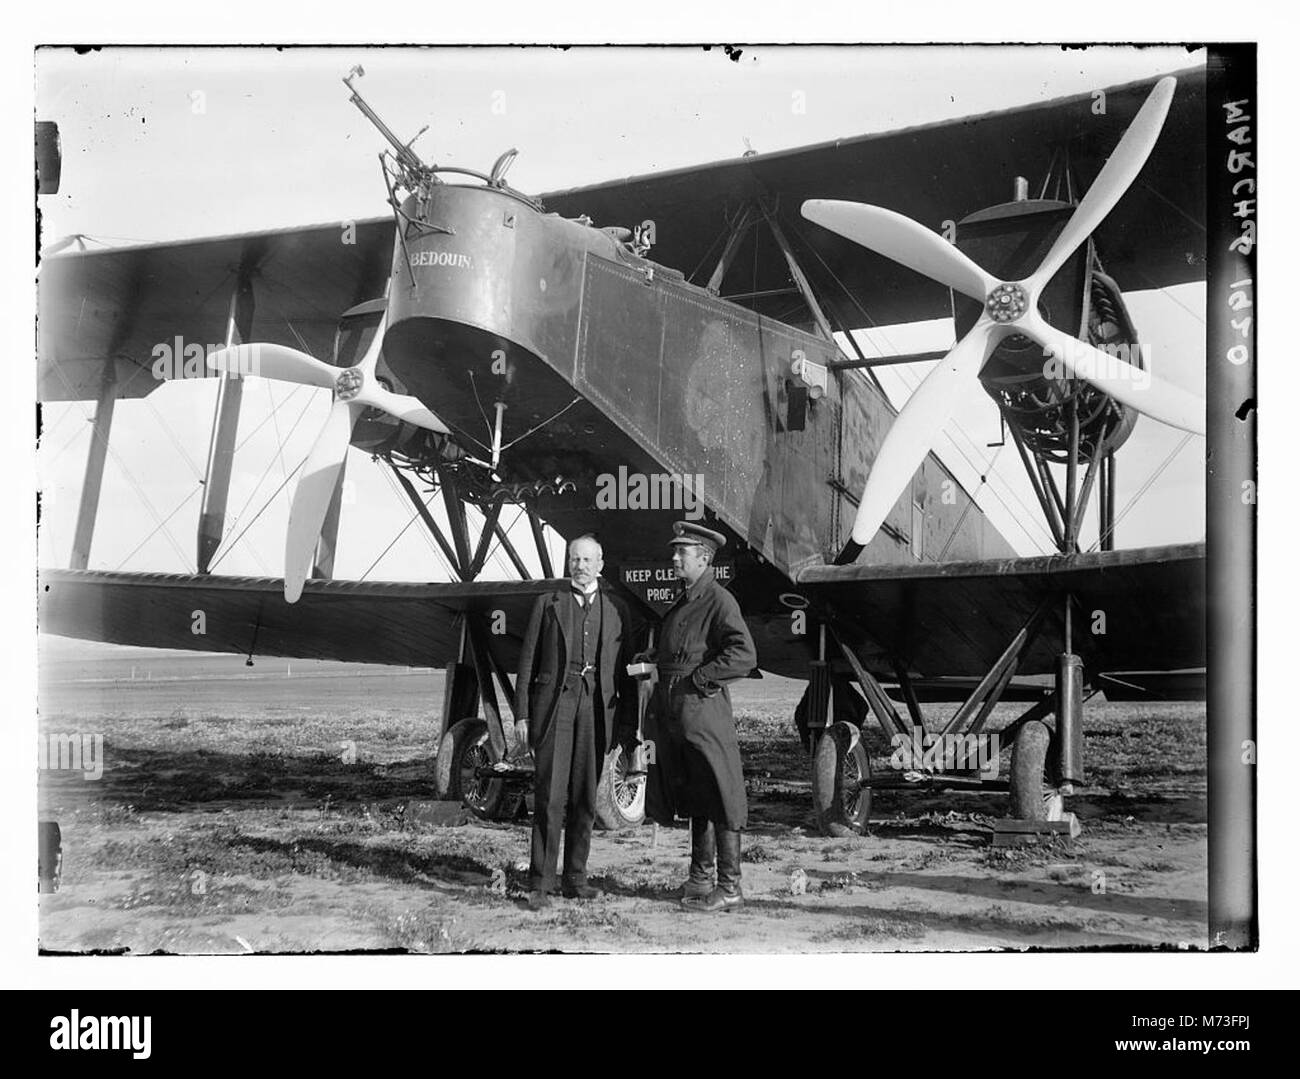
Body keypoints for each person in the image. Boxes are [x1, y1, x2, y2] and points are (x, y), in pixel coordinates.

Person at [641, 521, 757, 913]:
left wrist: (701, 679)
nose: (674, 558)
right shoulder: (684, 600)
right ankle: (700, 878)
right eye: (674, 551)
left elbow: (743, 654)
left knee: (721, 796)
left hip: (704, 713)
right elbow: (678, 651)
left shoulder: (719, 600)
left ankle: (730, 886)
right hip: (678, 716)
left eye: (682, 553)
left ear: (704, 558)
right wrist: (652, 661)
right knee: (697, 795)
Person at [515, 535, 633, 911]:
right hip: (555, 708)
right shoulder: (547, 604)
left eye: (587, 560)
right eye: (574, 559)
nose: (580, 566)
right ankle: (541, 883)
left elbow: (626, 671)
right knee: (549, 795)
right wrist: (521, 714)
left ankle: (576, 878)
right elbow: (527, 661)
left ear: (600, 563)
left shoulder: (617, 610)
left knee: (585, 797)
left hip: (596, 710)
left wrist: (626, 724)